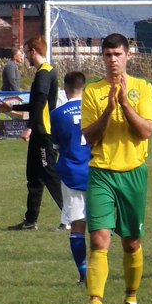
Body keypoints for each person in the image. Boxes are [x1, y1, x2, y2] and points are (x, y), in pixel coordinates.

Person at [75, 33, 152, 304]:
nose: (113, 60)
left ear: (128, 56)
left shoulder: (141, 88)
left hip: (133, 174)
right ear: (102, 58)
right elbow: (90, 136)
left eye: (117, 55)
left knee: (131, 243)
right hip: (101, 174)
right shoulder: (93, 92)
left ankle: (131, 300)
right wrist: (109, 109)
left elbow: (145, 131)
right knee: (99, 239)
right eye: (107, 55)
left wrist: (124, 103)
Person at [2, 37, 64, 231]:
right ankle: (30, 221)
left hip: (44, 132)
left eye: (26, 51)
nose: (24, 55)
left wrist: (29, 126)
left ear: (34, 51)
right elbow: (35, 103)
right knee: (34, 177)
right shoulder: (41, 72)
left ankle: (71, 217)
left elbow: (41, 103)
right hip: (38, 132)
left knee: (50, 175)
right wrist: (12, 106)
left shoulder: (46, 72)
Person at [50, 71, 91, 284]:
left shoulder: (57, 114)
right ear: (84, 87)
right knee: (101, 226)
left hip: (72, 173)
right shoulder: (95, 110)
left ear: (65, 89)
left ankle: (84, 274)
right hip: (97, 172)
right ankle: (100, 268)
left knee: (77, 225)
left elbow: (57, 146)